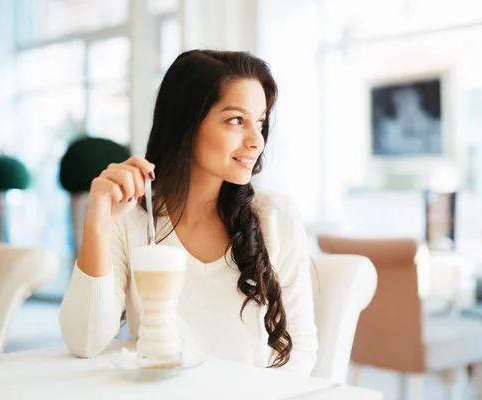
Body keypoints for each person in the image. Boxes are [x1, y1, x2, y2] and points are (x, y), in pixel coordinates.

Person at [59, 50, 318, 375]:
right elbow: (84, 341)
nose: (256, 140)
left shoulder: (275, 217)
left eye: (260, 121)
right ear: (186, 123)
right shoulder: (129, 218)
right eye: (236, 120)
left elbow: (300, 349)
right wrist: (97, 223)